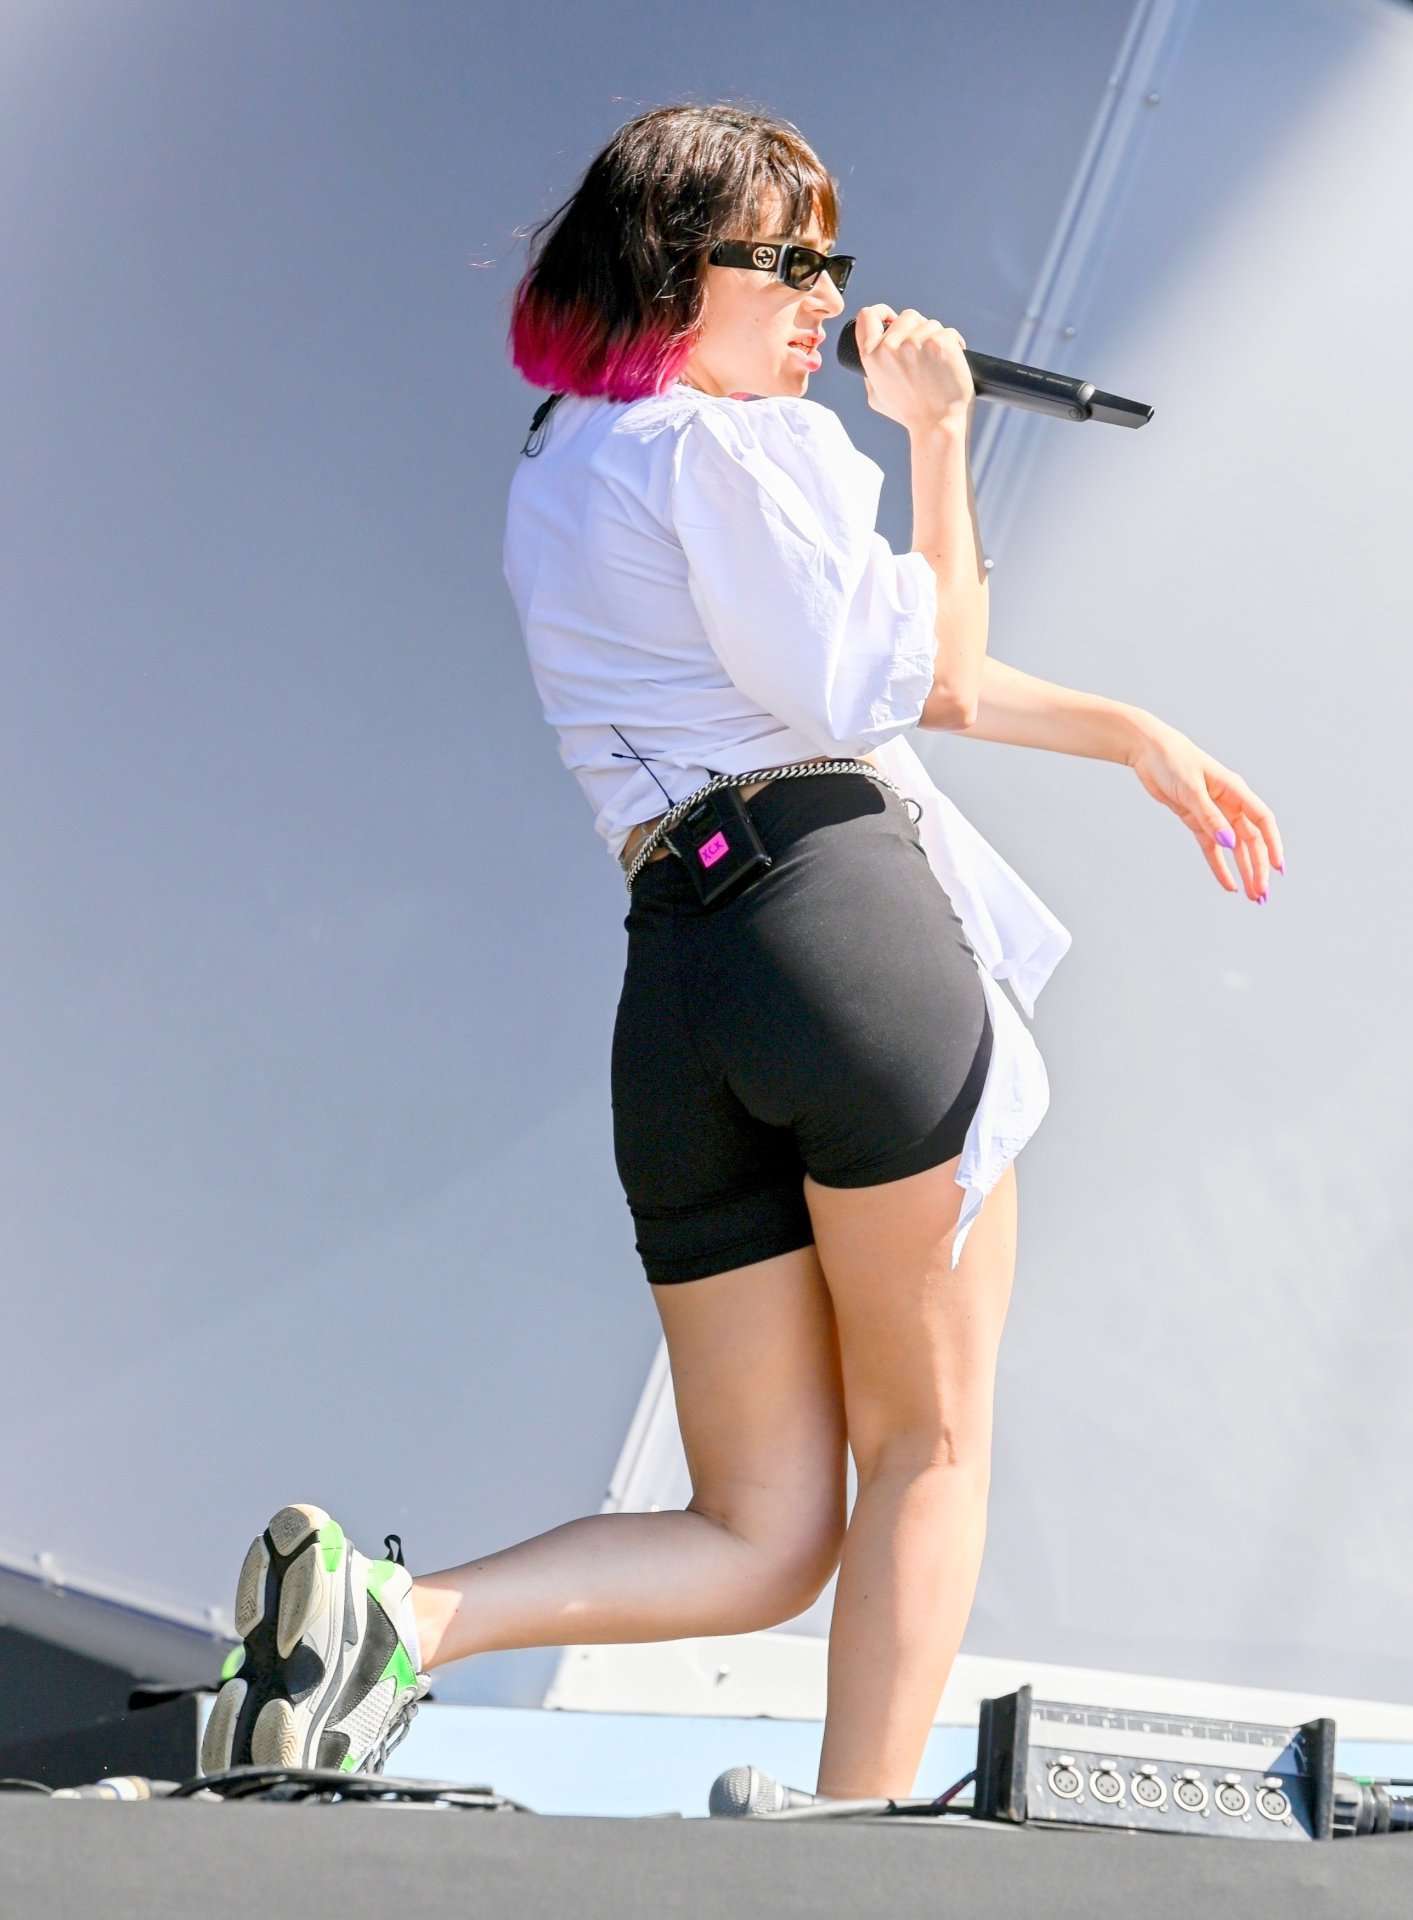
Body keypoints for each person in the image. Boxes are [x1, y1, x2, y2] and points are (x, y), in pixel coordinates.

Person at [200, 103, 1284, 1798]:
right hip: (838, 928)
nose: (822, 297)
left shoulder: (566, 459)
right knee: (926, 1445)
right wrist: (937, 439)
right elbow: (908, 674)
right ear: (666, 270)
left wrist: (1129, 730)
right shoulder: (738, 450)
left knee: (760, 1531)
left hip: (685, 979)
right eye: (783, 259)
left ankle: (394, 1617)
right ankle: (850, 1847)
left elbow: (864, 680)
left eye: (830, 259)